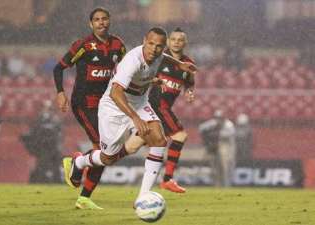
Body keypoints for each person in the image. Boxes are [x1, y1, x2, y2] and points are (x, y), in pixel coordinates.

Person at [62, 27, 197, 207]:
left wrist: (178, 64)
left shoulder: (159, 55)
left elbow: (163, 56)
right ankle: (78, 162)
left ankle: (143, 198)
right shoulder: (132, 61)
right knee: (108, 158)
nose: (154, 49)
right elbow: (116, 93)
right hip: (114, 107)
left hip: (140, 102)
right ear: (144, 41)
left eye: (159, 46)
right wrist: (135, 118)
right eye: (150, 44)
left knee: (159, 139)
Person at [53, 7, 126, 209]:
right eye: (97, 20)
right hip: (84, 102)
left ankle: (78, 168)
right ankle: (82, 186)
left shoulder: (118, 45)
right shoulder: (83, 45)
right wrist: (60, 93)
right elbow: (58, 67)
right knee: (104, 148)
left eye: (104, 19)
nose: (101, 22)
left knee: (106, 150)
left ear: (109, 21)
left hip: (106, 104)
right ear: (90, 24)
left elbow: (125, 71)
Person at [148, 28, 195, 193]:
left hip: (163, 107)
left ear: (185, 43)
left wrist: (189, 91)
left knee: (130, 146)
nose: (176, 42)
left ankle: (86, 162)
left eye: (180, 40)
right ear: (168, 42)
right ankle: (167, 180)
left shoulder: (188, 63)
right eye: (173, 39)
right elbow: (143, 74)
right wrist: (153, 81)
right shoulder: (159, 58)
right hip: (156, 104)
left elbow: (189, 81)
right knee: (180, 136)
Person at [21, 100, 63, 183]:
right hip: (43, 148)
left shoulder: (54, 119)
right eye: (44, 108)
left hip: (53, 147)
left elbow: (57, 132)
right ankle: (41, 182)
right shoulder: (39, 119)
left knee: (55, 168)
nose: (45, 110)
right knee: (42, 167)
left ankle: (57, 183)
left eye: (47, 108)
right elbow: (34, 131)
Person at [198, 110, 236, 187]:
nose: (218, 119)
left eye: (220, 118)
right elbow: (201, 128)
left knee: (226, 168)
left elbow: (228, 134)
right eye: (217, 118)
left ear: (223, 118)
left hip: (228, 148)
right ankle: (217, 185)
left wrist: (214, 133)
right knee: (215, 168)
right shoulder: (213, 123)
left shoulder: (229, 125)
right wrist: (209, 134)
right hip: (216, 148)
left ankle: (226, 185)